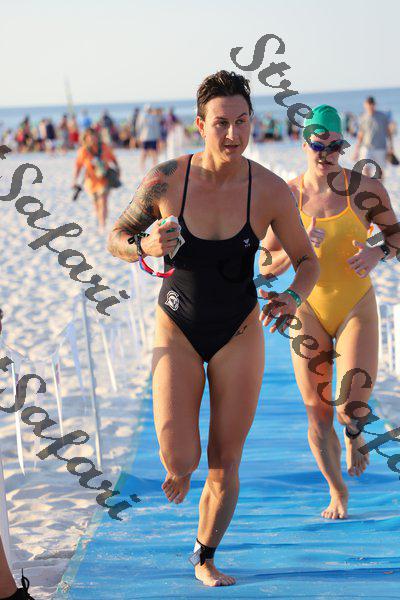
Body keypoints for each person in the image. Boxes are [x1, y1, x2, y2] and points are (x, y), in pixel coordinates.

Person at [107, 70, 319, 587]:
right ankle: (180, 468)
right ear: (200, 125)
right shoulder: (165, 179)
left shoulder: (269, 190)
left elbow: (307, 260)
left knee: (225, 461)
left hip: (238, 330)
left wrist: (293, 297)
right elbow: (116, 236)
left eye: (242, 121)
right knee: (181, 457)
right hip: (177, 325)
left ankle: (204, 556)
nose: (233, 134)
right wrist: (144, 246)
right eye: (221, 123)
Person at [260, 104, 400, 520]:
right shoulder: (287, 195)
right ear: (303, 144)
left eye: (336, 146)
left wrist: (377, 252)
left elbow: (395, 236)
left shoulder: (365, 189)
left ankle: (354, 432)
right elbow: (266, 263)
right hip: (309, 307)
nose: (327, 154)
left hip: (355, 304)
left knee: (349, 407)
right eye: (319, 145)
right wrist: (298, 247)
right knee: (318, 413)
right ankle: (337, 490)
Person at [73, 127, 120, 232]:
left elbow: (113, 159)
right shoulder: (83, 151)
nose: (92, 139)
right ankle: (100, 221)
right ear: (85, 138)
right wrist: (74, 180)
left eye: (94, 136)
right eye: (90, 137)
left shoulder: (104, 147)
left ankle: (102, 224)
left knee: (103, 201)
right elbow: (78, 166)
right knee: (96, 204)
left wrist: (118, 170)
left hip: (104, 179)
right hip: (90, 182)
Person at [353, 96, 394, 178]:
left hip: (380, 147)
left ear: (374, 105)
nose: (370, 107)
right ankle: (370, 184)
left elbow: (388, 132)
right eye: (368, 105)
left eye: (372, 104)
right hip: (366, 147)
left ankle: (379, 186)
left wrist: (391, 146)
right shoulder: (362, 117)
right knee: (365, 168)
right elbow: (360, 134)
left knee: (380, 171)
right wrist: (356, 150)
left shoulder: (382, 116)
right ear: (365, 105)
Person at [136, 104, 161, 170]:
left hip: (147, 137)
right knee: (151, 152)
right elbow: (156, 127)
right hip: (149, 137)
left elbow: (138, 127)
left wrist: (139, 136)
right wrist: (158, 136)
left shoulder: (143, 116)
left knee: (147, 152)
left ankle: (144, 165)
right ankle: (148, 165)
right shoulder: (152, 116)